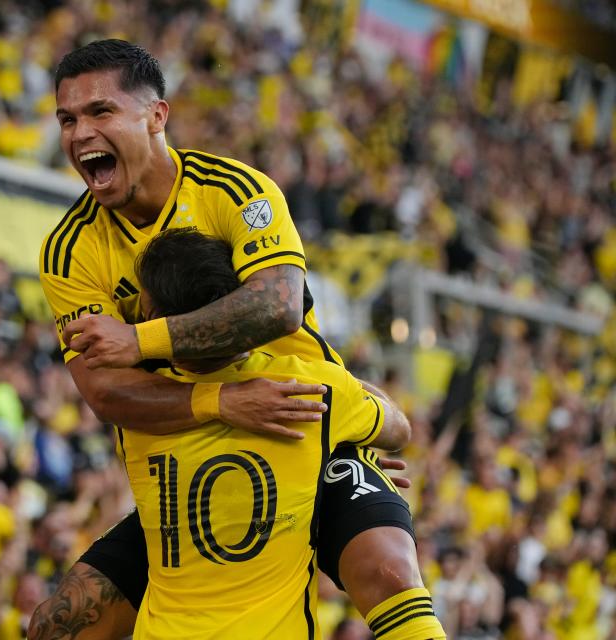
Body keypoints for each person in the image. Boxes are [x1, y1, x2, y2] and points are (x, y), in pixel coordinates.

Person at [32, 39, 439, 639]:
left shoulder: (234, 191)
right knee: (59, 626)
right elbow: (106, 395)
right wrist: (220, 402)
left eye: (99, 112)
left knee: (388, 572)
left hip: (302, 429)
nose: (79, 132)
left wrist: (141, 340)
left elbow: (276, 307)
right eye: (67, 119)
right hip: (190, 457)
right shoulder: (71, 250)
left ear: (156, 116)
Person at [121, 229, 419, 637]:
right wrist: (343, 443)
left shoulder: (134, 404)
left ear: (157, 322)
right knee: (394, 573)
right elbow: (398, 428)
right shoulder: (315, 388)